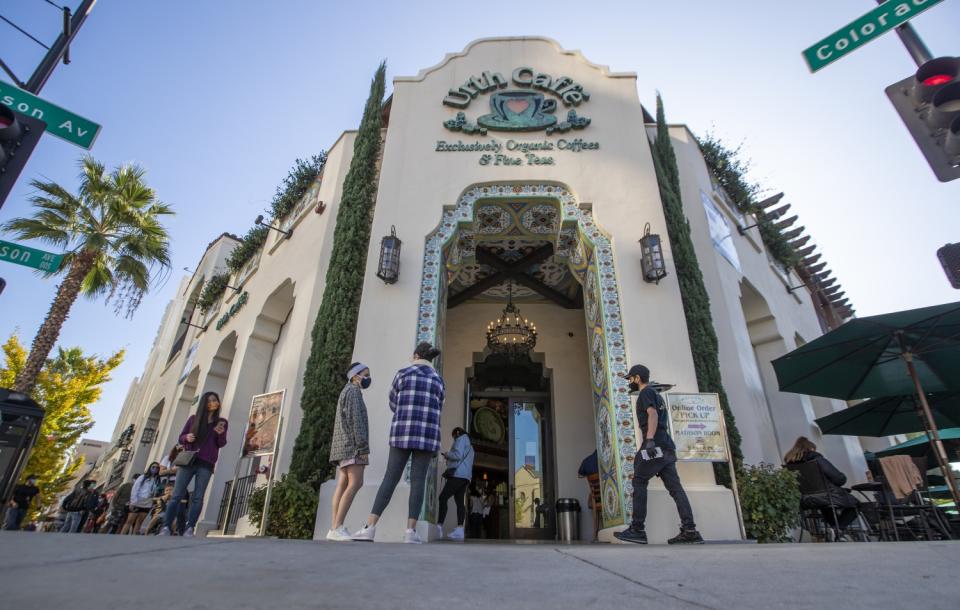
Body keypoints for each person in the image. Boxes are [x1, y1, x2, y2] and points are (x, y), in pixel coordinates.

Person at [353, 342, 445, 544]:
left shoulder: (402, 373)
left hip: (402, 432)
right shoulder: (438, 379)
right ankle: (410, 532)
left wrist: (406, 413)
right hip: (427, 436)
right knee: (418, 480)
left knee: (390, 478)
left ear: (415, 355)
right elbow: (439, 407)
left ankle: (370, 527)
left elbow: (393, 402)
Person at [615, 364, 704, 545]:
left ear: (637, 378)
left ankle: (637, 529)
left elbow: (652, 415)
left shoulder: (646, 393)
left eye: (630, 378)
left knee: (639, 481)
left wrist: (649, 441)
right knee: (675, 488)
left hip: (655, 446)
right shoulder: (656, 395)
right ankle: (690, 530)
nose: (629, 382)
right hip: (666, 446)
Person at [158, 391, 229, 537]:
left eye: (215, 400)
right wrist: (187, 437)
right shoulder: (193, 419)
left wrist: (221, 433)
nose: (213, 403)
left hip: (206, 463)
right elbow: (181, 437)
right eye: (209, 401)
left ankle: (190, 527)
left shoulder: (221, 422)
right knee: (176, 495)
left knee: (198, 497)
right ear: (204, 404)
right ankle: (166, 527)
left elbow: (221, 444)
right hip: (188, 461)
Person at [326, 362, 372, 542]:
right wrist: (363, 448)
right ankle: (337, 526)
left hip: (342, 446)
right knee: (355, 483)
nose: (368, 378)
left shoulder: (345, 392)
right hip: (352, 446)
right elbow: (357, 421)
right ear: (355, 376)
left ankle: (334, 527)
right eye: (365, 374)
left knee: (343, 484)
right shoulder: (353, 392)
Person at [784, 436, 861, 536]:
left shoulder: (790, 466)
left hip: (805, 500)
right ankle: (838, 529)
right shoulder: (817, 460)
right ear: (810, 449)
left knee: (825, 505)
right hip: (827, 496)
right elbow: (839, 479)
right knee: (856, 505)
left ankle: (835, 531)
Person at [437, 427, 474, 540]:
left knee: (443, 497)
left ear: (457, 433)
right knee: (459, 501)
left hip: (458, 474)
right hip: (465, 477)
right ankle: (459, 530)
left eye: (453, 436)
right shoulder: (470, 446)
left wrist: (447, 454)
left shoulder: (461, 439)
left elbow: (457, 455)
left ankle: (439, 526)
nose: (454, 438)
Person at [121, 462, 161, 535]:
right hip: (137, 501)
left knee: (139, 522)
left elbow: (156, 491)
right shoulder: (143, 477)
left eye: (157, 468)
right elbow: (135, 489)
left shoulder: (157, 480)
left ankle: (133, 538)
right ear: (150, 468)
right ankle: (122, 535)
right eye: (153, 467)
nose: (155, 469)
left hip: (147, 503)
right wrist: (133, 501)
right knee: (130, 521)